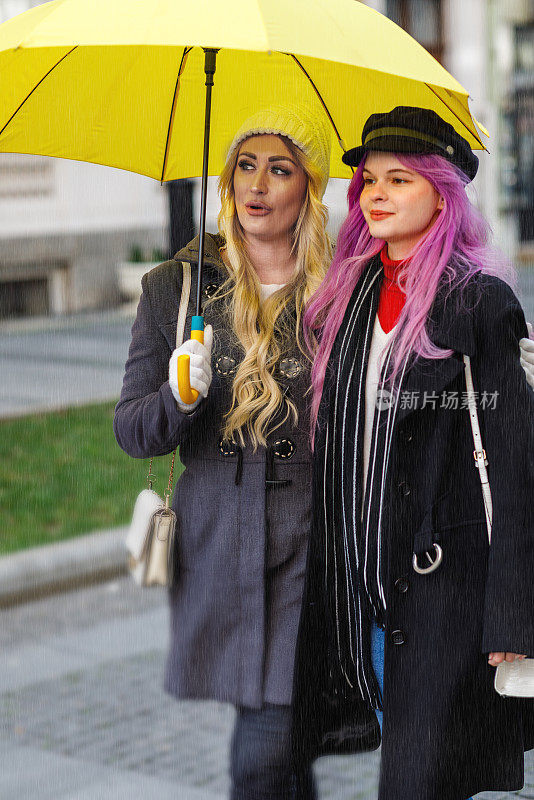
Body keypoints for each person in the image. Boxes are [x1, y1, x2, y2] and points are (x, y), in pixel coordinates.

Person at [293, 106, 534, 800]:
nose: (376, 194)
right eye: (370, 180)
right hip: (363, 589)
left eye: (399, 179)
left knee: (417, 782)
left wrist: (513, 615)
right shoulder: (346, 297)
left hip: (445, 590)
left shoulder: (479, 304)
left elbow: (516, 470)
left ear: (441, 191)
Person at [113, 105, 332, 800]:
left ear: (309, 188)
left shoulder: (341, 291)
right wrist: (179, 394)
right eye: (245, 165)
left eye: (280, 168)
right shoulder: (176, 289)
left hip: (314, 544)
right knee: (280, 748)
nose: (258, 185)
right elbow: (134, 431)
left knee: (263, 756)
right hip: (219, 549)